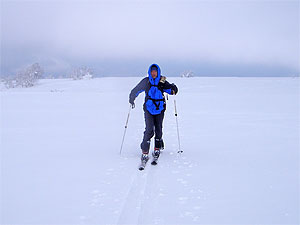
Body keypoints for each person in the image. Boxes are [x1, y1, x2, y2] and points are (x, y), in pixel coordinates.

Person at [129, 64, 178, 165]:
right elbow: (136, 90)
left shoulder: (162, 81)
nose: (154, 73)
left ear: (158, 72)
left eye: (155, 71)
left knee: (159, 129)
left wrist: (174, 89)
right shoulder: (146, 81)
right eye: (152, 71)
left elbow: (170, 90)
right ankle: (145, 151)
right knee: (149, 129)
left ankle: (157, 148)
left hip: (160, 109)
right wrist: (132, 97)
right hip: (148, 108)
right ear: (149, 72)